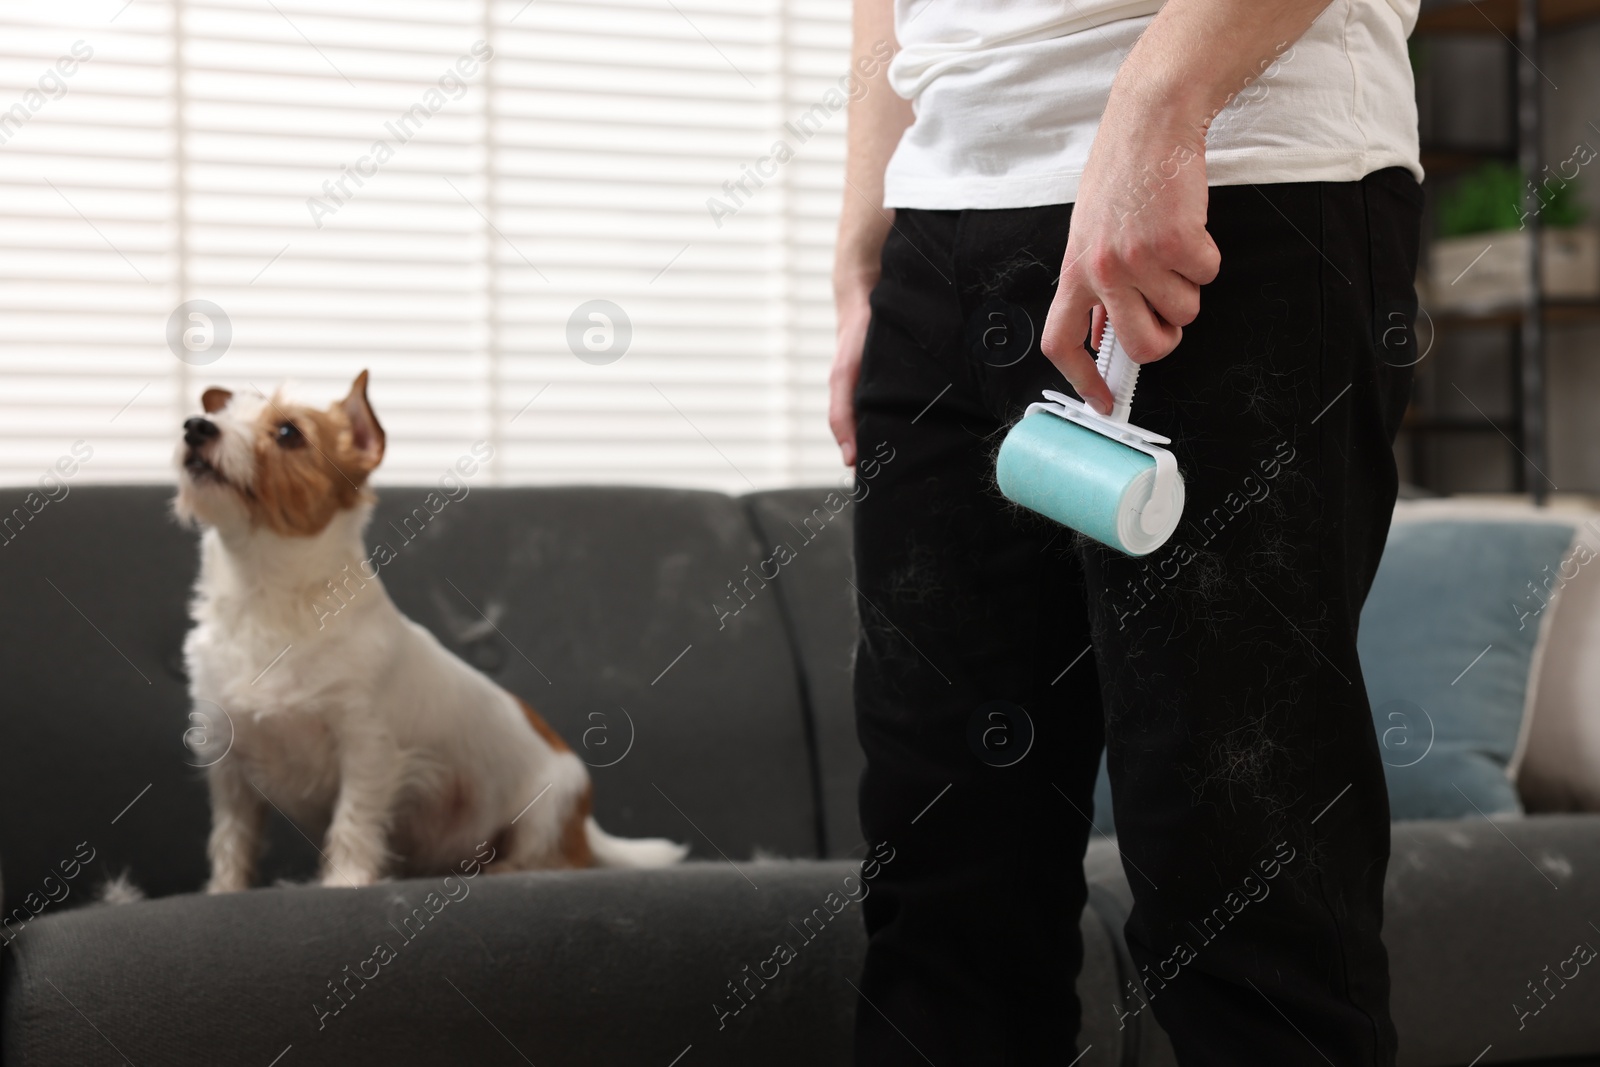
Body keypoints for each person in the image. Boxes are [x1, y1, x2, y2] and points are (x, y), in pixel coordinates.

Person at [830, 0, 1424, 1063]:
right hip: (938, 230)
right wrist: (862, 255)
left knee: (1242, 899)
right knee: (941, 890)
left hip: (1238, 179)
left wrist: (1162, 100)